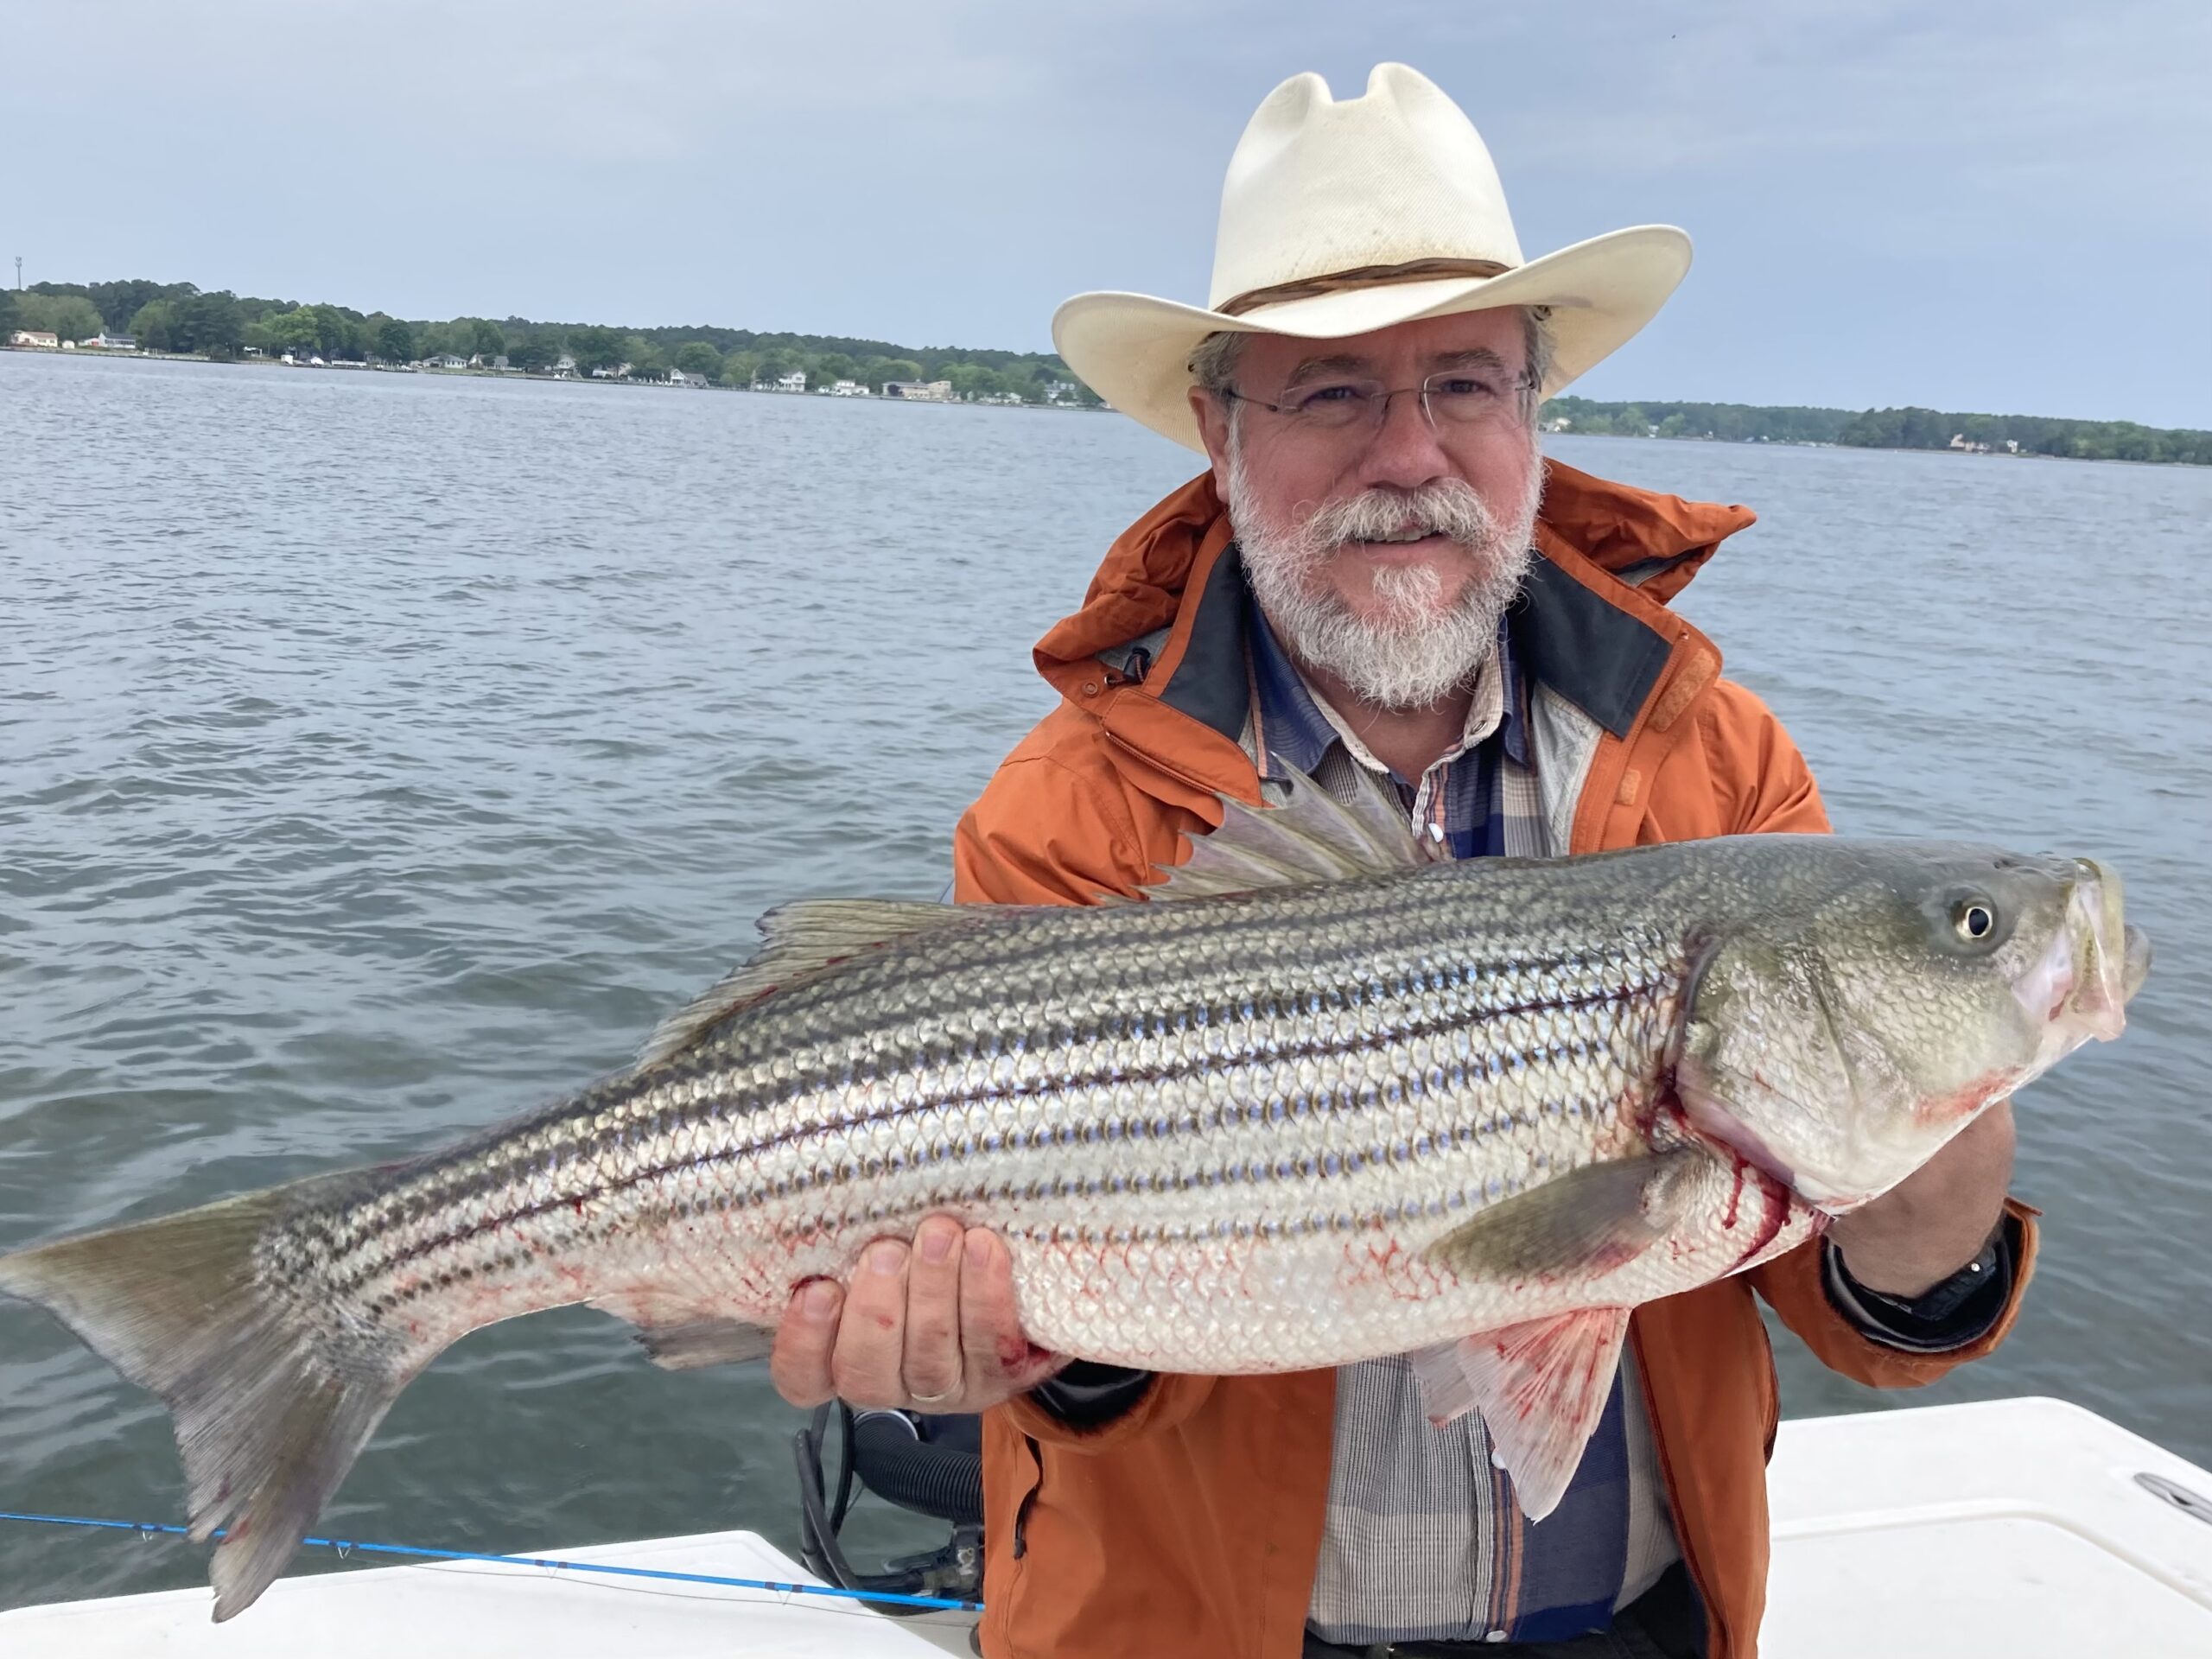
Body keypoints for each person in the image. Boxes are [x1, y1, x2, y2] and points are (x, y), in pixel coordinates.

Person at [769, 64, 2033, 1659]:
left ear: (1532, 411)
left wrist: (1925, 1257)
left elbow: (1804, 1282)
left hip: (1643, 1622)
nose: (1409, 455)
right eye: (1333, 392)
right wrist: (1020, 1344)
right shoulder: (1066, 812)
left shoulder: (1721, 764)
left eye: (1465, 384)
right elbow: (1088, 1365)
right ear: (1221, 429)